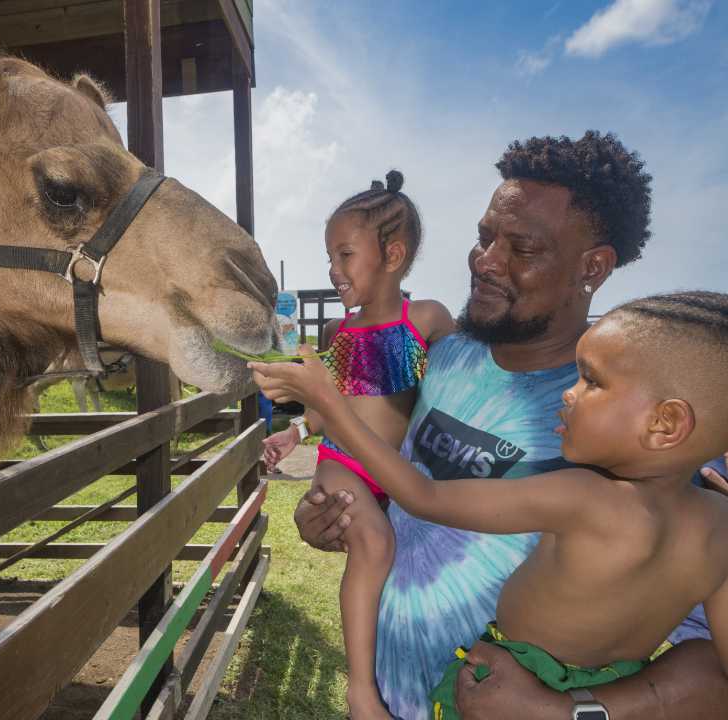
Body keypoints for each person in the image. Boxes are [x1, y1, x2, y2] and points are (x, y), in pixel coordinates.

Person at [290, 131, 728, 719]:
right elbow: (365, 463)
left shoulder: (632, 433)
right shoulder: (435, 355)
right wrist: (325, 516)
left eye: (520, 247)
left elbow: (710, 672)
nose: (485, 261)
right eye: (483, 237)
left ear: (592, 266)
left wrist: (569, 712)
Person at [252, 291, 728, 719]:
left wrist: (329, 403)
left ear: (665, 423)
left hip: (500, 691)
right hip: (607, 692)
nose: (569, 391)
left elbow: (424, 496)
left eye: (592, 382)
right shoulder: (719, 524)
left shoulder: (585, 496)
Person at [261, 171, 454, 718]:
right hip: (344, 464)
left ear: (393, 255)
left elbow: (469, 375)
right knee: (374, 547)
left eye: (345, 255)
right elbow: (330, 408)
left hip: (392, 473)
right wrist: (295, 429)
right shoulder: (343, 333)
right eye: (330, 257)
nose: (333, 269)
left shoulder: (427, 321)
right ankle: (361, 690)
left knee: (391, 554)